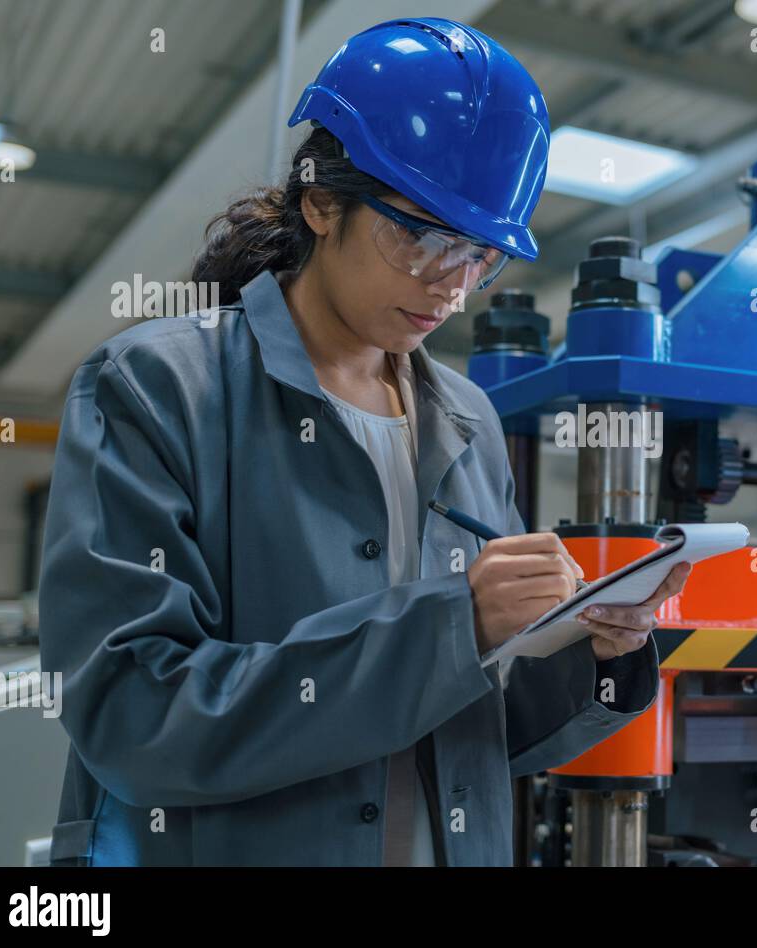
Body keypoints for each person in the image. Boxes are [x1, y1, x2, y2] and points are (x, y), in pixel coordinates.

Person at [39, 17, 688, 867]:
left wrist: (599, 650)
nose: (451, 285)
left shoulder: (467, 421)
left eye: (480, 254)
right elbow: (134, 714)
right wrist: (456, 625)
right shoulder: (155, 388)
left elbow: (474, 733)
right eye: (420, 234)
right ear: (321, 203)